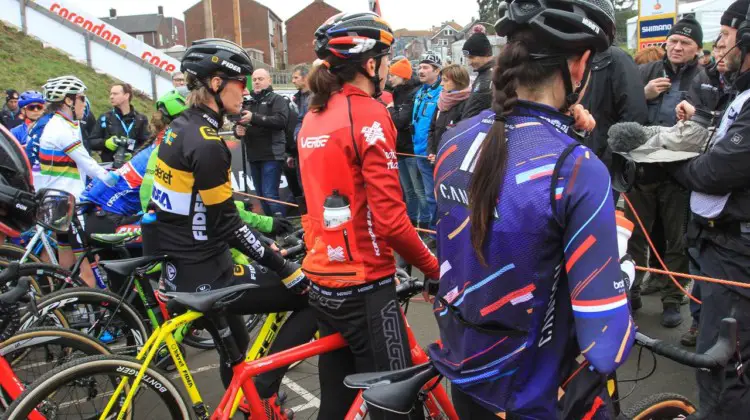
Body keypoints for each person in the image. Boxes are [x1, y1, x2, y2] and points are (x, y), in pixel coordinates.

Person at [428, 0, 636, 418]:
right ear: (578, 67)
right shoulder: (576, 167)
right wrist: (624, 273)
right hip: (535, 394)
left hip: (465, 375)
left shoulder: (454, 140)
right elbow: (605, 343)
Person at [142, 39, 314, 412]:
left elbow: (208, 208)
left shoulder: (180, 129)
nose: (247, 93)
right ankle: (264, 386)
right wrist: (282, 265)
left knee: (234, 348)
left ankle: (249, 402)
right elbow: (228, 226)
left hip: (184, 265)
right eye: (241, 83)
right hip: (206, 271)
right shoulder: (206, 142)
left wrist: (269, 233)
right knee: (312, 296)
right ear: (217, 84)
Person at [298, 12, 440, 419]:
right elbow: (392, 221)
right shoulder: (369, 112)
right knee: (399, 408)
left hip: (324, 278)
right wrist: (432, 267)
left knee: (336, 404)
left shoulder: (313, 114)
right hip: (364, 286)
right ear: (371, 64)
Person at [664, 1, 750, 415]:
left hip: (736, 253)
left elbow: (715, 170)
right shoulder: (737, 89)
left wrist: (668, 159)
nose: (719, 48)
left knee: (723, 364)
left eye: (726, 38)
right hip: (724, 246)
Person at [627, 16, 705, 327]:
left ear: (697, 48)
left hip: (679, 172)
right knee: (633, 237)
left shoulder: (703, 77)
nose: (676, 46)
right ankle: (631, 291)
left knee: (678, 240)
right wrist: (642, 93)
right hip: (641, 170)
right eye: (673, 40)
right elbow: (625, 110)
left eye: (685, 42)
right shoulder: (645, 71)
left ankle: (672, 299)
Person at [37, 75, 118, 288]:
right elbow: (86, 162)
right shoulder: (61, 129)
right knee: (87, 263)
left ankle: (69, 302)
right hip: (68, 201)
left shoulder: (63, 124)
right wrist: (112, 178)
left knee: (66, 255)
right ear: (68, 101)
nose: (85, 103)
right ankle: (99, 311)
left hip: (58, 199)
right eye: (81, 98)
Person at [579, 45, 648, 178]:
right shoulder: (560, 56)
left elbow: (634, 115)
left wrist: (609, 159)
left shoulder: (616, 58)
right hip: (569, 159)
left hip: (601, 161)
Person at [235, 69, 290, 216]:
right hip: (253, 154)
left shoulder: (277, 99)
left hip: (272, 154)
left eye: (261, 79)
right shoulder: (247, 101)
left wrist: (254, 118)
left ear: (269, 80)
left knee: (269, 194)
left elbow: (281, 121)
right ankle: (272, 227)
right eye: (254, 79)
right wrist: (237, 130)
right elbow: (239, 122)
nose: (257, 82)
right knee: (260, 195)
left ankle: (283, 228)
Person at [388, 57, 427, 227]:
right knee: (408, 190)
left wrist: (389, 109)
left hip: (410, 148)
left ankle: (425, 224)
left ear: (402, 76)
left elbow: (400, 121)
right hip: (399, 147)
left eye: (393, 76)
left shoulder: (413, 93)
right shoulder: (397, 92)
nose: (390, 79)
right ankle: (411, 223)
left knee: (419, 190)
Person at [412, 51, 443, 233]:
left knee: (436, 196)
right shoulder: (421, 92)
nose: (420, 70)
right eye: (420, 67)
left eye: (426, 67)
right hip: (418, 151)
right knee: (426, 195)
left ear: (437, 71)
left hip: (433, 153)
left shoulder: (442, 93)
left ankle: (439, 231)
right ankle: (432, 229)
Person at [89, 83, 150, 165]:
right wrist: (105, 143)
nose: (111, 97)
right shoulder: (105, 117)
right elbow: (91, 142)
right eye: (111, 94)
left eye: (115, 94)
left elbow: (147, 144)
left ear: (126, 96)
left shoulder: (140, 119)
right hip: (109, 168)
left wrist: (133, 154)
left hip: (131, 168)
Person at [427, 64, 471, 163]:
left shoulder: (468, 103)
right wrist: (432, 152)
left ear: (458, 81)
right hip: (437, 159)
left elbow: (464, 137)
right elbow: (432, 129)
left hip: (454, 161)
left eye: (445, 80)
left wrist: (444, 155)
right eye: (441, 80)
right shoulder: (441, 101)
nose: (441, 84)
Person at [460, 25, 495, 119]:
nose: (469, 62)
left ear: (485, 54)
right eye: (467, 58)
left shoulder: (493, 78)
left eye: (472, 57)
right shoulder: (483, 74)